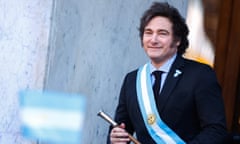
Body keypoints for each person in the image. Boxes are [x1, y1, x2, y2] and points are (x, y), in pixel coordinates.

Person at [107, 2, 228, 144]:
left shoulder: (200, 75)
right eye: (148, 32)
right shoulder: (132, 80)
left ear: (177, 40)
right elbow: (121, 128)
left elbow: (216, 130)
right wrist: (115, 137)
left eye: (162, 33)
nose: (153, 40)